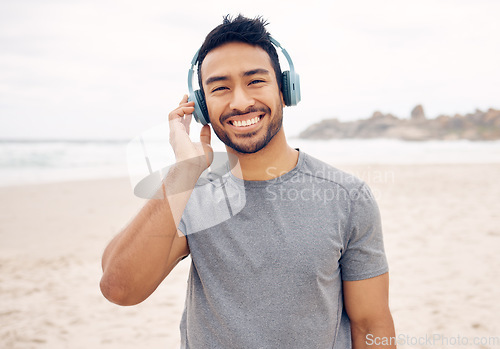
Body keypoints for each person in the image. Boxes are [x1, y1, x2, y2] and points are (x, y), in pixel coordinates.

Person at [100, 15, 396, 348]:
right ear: (201, 107)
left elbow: (371, 323)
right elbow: (119, 288)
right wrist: (183, 170)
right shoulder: (189, 191)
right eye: (220, 87)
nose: (240, 102)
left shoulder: (347, 196)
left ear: (285, 90)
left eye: (255, 81)